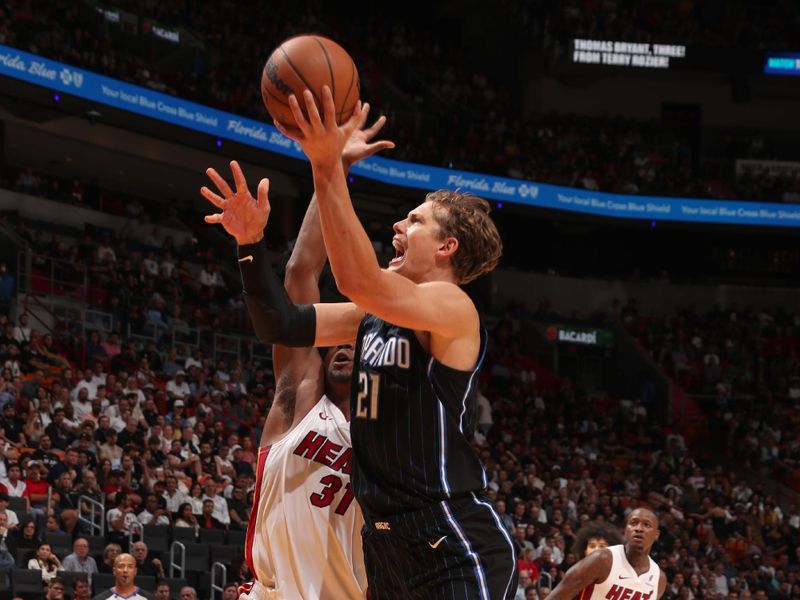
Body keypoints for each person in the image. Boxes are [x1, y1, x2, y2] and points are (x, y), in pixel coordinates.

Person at [204, 91, 513, 598]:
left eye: (414, 220)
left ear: (446, 247)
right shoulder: (367, 318)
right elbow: (281, 321)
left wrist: (328, 168)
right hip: (386, 553)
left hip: (449, 540)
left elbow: (355, 278)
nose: (398, 224)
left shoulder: (453, 307)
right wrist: (250, 244)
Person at [203, 107, 393, 599]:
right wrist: (334, 168)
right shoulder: (301, 401)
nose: (343, 347)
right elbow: (301, 273)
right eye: (336, 343)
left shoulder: (391, 439)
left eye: (355, 342)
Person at [544, 508, 667, 600]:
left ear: (656, 534)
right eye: (633, 523)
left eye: (646, 525)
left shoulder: (658, 579)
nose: (638, 529)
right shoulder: (603, 560)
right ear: (625, 530)